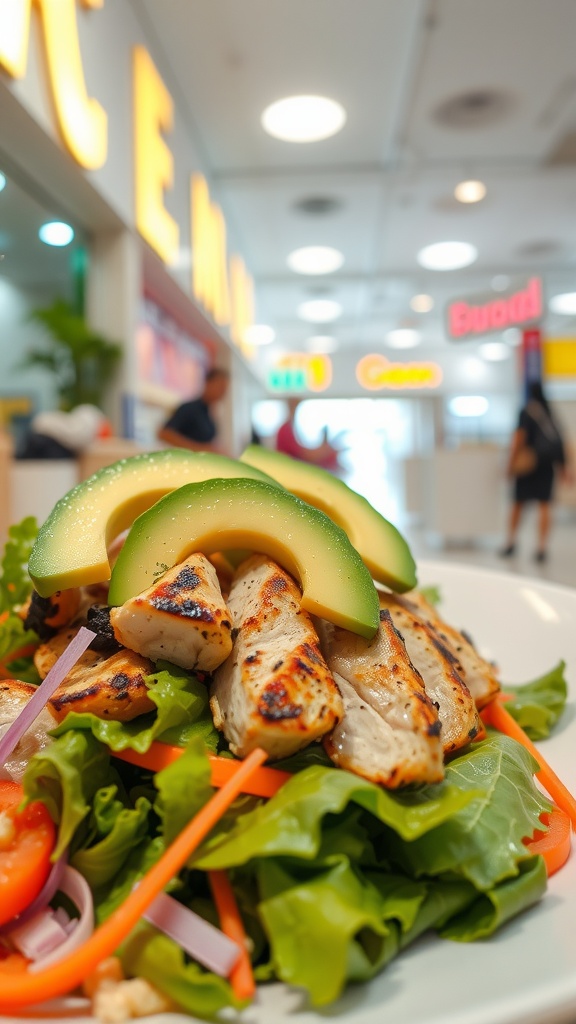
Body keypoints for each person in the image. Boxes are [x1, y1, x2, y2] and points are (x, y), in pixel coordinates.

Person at [500, 380, 572, 562]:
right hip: (547, 466)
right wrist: (564, 468)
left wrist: (510, 464)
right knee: (544, 505)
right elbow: (560, 441)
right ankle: (542, 548)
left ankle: (511, 543)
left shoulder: (526, 411)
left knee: (518, 504)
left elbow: (519, 438)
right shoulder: (549, 413)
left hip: (528, 465)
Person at [157, 367, 230, 453]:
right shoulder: (190, 409)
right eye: (220, 387)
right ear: (208, 383)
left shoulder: (209, 414)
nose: (223, 392)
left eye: (225, 389)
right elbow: (164, 434)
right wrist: (199, 449)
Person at [276, 398, 339, 471]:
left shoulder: (290, 428)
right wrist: (324, 452)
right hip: (288, 469)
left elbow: (302, 451)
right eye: (295, 407)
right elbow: (303, 454)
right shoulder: (285, 429)